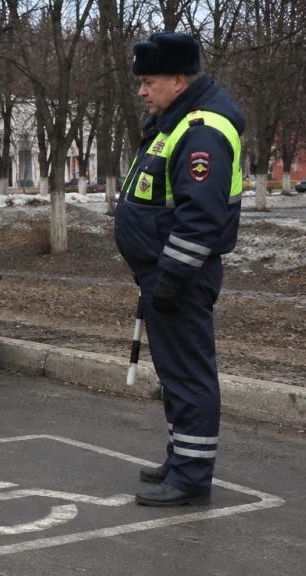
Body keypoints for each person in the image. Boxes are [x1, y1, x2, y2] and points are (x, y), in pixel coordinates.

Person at [114, 32, 245, 506]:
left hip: (182, 277)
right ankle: (181, 457)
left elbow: (201, 217)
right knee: (175, 375)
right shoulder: (176, 121)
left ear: (178, 80)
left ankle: (191, 477)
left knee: (188, 375)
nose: (142, 91)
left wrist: (171, 276)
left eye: (148, 82)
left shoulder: (202, 130)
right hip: (165, 273)